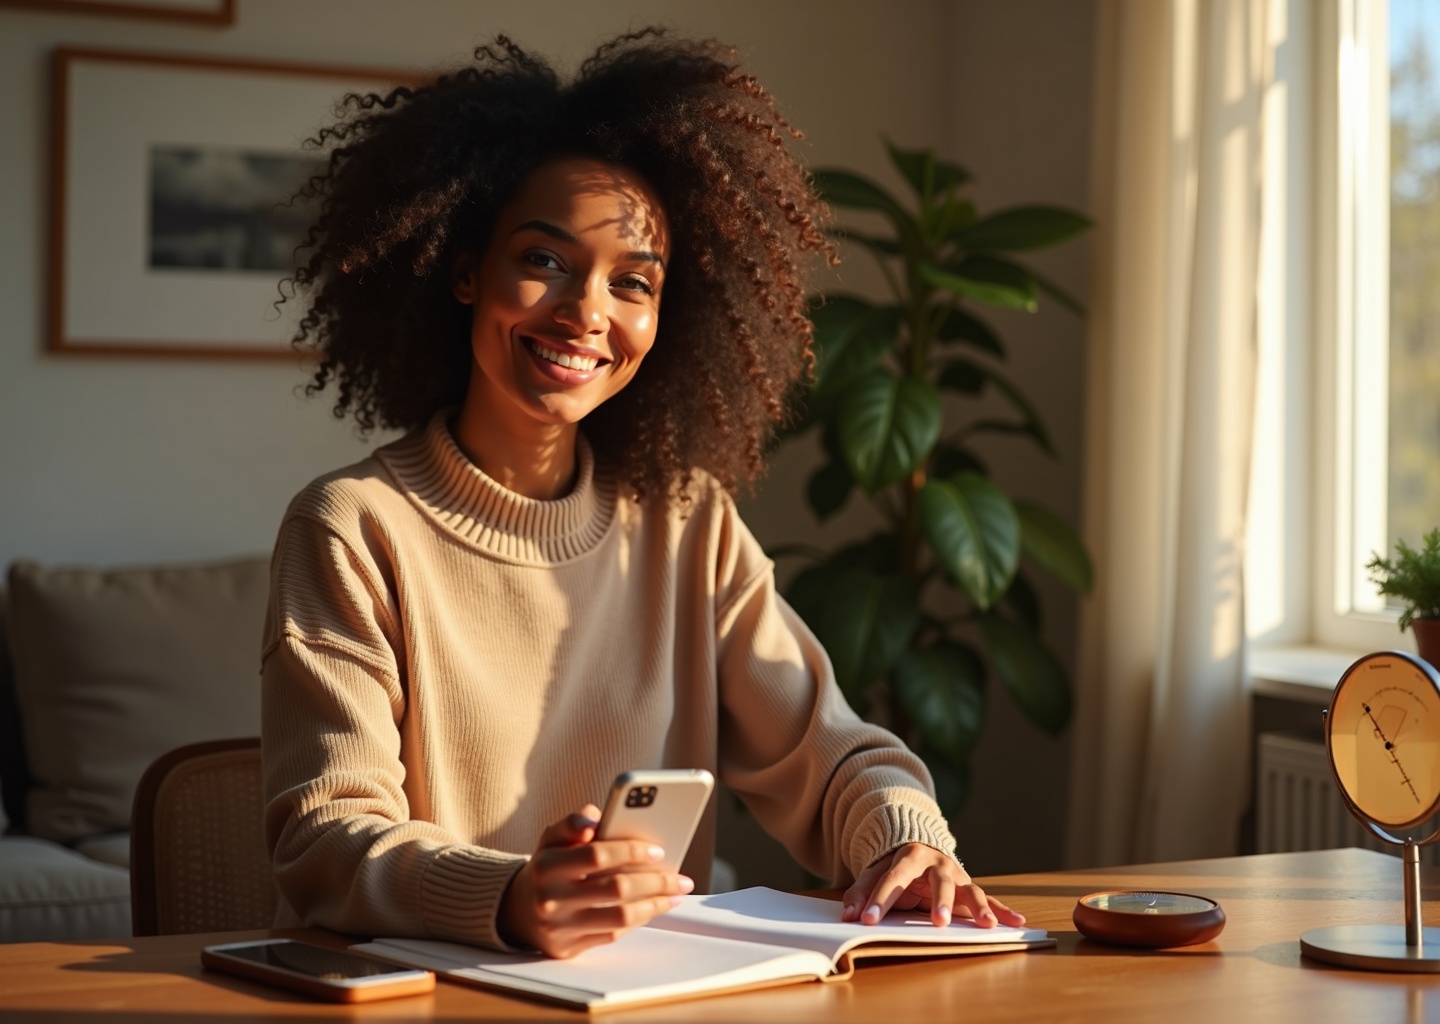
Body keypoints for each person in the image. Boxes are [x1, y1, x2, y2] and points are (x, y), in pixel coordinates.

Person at [261, 28, 1024, 960]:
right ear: (466, 270)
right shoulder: (352, 528)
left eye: (632, 282)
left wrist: (907, 840)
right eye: (543, 261)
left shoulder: (685, 519)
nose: (587, 312)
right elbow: (325, 838)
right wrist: (509, 897)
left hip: (649, 993)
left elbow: (834, 757)